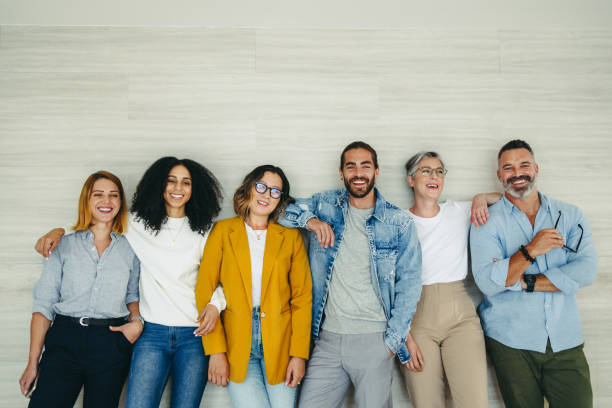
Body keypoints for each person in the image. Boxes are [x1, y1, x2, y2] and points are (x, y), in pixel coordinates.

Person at [33, 157, 226, 408]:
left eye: (186, 183)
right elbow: (96, 220)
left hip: (195, 333)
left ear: (195, 188)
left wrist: (215, 304)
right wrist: (57, 231)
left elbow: (227, 277)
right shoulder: (136, 223)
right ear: (159, 185)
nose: (178, 188)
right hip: (151, 333)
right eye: (171, 181)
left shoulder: (206, 231)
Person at [279, 141, 422, 408]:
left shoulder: (398, 221)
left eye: (365, 166)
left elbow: (410, 284)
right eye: (351, 166)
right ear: (341, 173)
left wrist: (392, 342)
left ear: (377, 171)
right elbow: (280, 210)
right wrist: (310, 221)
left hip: (375, 341)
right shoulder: (324, 205)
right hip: (328, 340)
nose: (358, 173)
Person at [470, 140, 597, 408]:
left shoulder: (570, 215)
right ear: (499, 175)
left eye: (524, 165)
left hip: (566, 339)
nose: (517, 173)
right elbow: (487, 282)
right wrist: (531, 250)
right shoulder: (485, 221)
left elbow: (586, 270)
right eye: (508, 167)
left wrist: (523, 281)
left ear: (536, 168)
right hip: (511, 343)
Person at [19, 171, 141, 408]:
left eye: (113, 196)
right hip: (65, 339)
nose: (106, 201)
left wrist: (136, 323)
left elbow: (132, 295)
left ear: (120, 203)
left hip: (111, 342)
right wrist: (33, 362)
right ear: (87, 200)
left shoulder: (131, 247)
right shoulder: (63, 244)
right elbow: (44, 305)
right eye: (99, 195)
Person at [195, 165, 312, 408]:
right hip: (237, 342)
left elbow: (302, 299)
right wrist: (215, 350)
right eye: (261, 187)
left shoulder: (291, 238)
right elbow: (204, 289)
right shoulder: (222, 231)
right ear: (248, 188)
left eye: (275, 191)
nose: (266, 195)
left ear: (281, 200)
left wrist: (298, 355)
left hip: (281, 343)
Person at [400, 151, 501, 408]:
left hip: (461, 319)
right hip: (416, 321)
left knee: (475, 403)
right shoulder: (397, 222)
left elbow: (504, 199)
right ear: (411, 180)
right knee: (426, 403)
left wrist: (481, 198)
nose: (434, 176)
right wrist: (404, 337)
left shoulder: (459, 210)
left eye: (439, 171)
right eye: (425, 170)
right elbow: (386, 283)